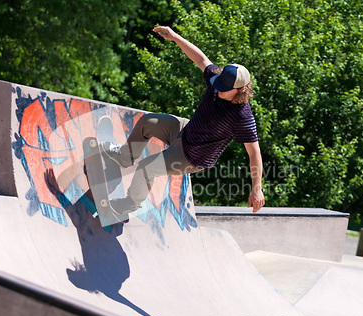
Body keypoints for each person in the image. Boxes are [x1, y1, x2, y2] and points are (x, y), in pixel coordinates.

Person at [102, 26, 265, 218]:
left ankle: (129, 205)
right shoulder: (216, 81)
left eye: (224, 88)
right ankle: (124, 156)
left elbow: (254, 152)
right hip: (185, 130)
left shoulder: (242, 117)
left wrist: (257, 188)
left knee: (146, 168)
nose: (217, 89)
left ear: (239, 90)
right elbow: (201, 59)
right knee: (148, 121)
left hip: (192, 157)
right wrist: (175, 37)